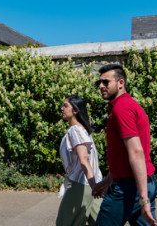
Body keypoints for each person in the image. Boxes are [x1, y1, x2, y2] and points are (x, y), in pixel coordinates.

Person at [93, 64, 157, 226]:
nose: (101, 86)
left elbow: (136, 152)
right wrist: (108, 180)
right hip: (143, 182)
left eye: (105, 82)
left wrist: (143, 199)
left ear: (120, 83)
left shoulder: (122, 108)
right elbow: (122, 155)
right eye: (98, 83)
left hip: (128, 188)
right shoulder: (126, 106)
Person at [56, 95, 103, 226]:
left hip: (80, 184)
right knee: (102, 222)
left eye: (65, 106)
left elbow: (84, 159)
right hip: (92, 183)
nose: (62, 108)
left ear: (75, 110)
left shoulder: (75, 130)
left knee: (64, 223)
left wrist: (93, 186)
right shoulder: (83, 130)